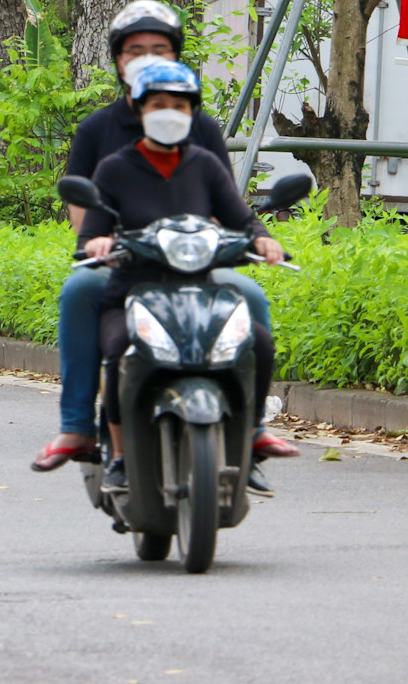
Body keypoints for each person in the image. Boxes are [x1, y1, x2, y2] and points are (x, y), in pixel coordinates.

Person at [32, 0, 298, 479]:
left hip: (197, 257)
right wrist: (100, 245)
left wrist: (255, 240)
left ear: (178, 59)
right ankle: (77, 427)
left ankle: (249, 427)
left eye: (160, 49)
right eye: (136, 50)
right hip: (127, 262)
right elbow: (83, 206)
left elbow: (227, 204)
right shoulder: (100, 130)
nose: (148, 58)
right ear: (118, 60)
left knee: (252, 297)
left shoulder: (203, 130)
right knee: (80, 290)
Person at [78, 59, 284, 495]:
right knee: (118, 349)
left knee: (258, 341)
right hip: (131, 292)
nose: (169, 111)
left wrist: (263, 241)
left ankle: (249, 438)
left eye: (179, 104)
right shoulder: (114, 168)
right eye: (158, 103)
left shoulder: (205, 165)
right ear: (139, 110)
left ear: (192, 112)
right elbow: (94, 228)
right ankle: (117, 456)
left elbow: (241, 218)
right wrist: (96, 244)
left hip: (200, 291)